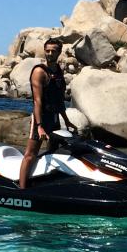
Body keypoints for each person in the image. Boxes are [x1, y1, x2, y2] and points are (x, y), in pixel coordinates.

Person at [18, 39, 78, 189]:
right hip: (41, 118)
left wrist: (67, 121)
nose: (50, 54)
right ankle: (21, 189)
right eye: (47, 50)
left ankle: (44, 182)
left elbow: (58, 100)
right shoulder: (39, 72)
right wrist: (39, 126)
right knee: (30, 154)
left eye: (53, 51)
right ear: (44, 51)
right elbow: (37, 102)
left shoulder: (57, 71)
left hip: (54, 118)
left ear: (59, 52)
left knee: (53, 152)